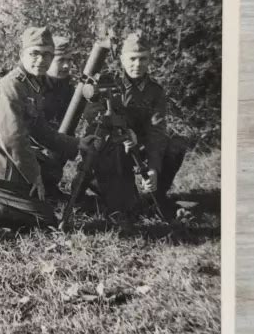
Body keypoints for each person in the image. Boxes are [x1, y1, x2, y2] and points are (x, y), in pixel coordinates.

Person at [0, 26, 97, 244]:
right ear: (22, 54)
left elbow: (40, 130)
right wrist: (35, 177)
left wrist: (77, 143)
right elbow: (14, 139)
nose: (41, 60)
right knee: (46, 220)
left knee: (44, 212)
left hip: (7, 161)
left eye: (47, 54)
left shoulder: (32, 84)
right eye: (35, 53)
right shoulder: (12, 86)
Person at [76, 31, 187, 216]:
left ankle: (154, 194)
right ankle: (106, 187)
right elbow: (92, 118)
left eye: (143, 59)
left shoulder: (155, 91)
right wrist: (124, 131)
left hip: (139, 147)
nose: (137, 64)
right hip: (111, 146)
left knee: (177, 145)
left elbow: (156, 132)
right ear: (122, 59)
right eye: (132, 58)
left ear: (149, 59)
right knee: (125, 207)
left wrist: (152, 168)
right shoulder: (106, 82)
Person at [35, 35, 75, 200]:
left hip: (55, 146)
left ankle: (50, 186)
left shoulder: (69, 89)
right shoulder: (34, 86)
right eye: (61, 60)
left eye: (69, 60)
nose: (66, 66)